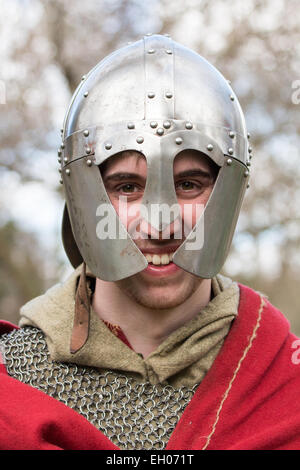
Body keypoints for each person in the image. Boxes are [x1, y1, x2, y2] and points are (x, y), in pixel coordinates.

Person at [1, 34, 300, 451]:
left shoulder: (284, 383)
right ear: (84, 197)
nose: (161, 225)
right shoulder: (12, 386)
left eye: (189, 184)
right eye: (127, 187)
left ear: (229, 190)